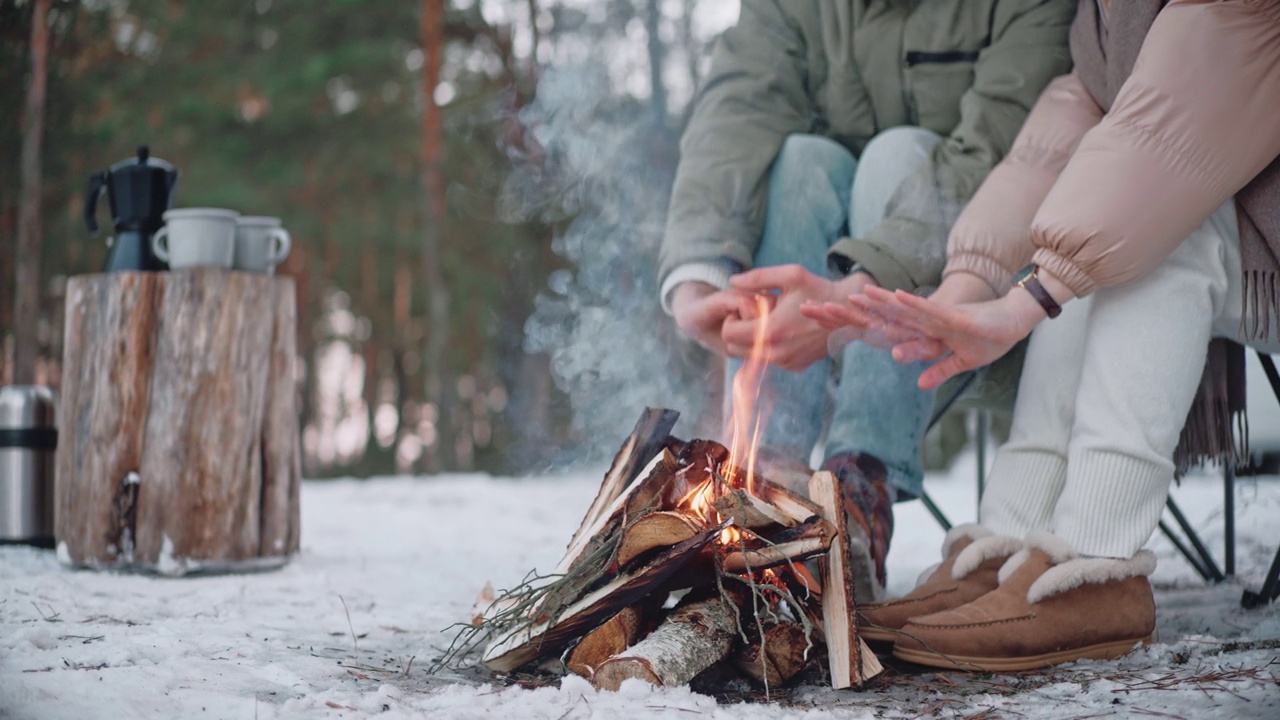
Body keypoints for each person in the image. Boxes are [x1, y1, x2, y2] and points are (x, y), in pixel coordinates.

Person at [804, 0, 1280, 670]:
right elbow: (1047, 154)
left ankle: (1097, 563)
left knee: (1155, 226)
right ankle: (1009, 542)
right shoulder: (1103, 19)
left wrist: (1024, 303)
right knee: (1091, 228)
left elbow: (1158, 144)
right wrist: (965, 288)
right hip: (1241, 229)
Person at [659, 0, 1074, 601]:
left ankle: (858, 490)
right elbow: (739, 105)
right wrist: (698, 276)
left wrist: (851, 299)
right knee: (800, 163)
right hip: (817, 299)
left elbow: (999, 151)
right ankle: (765, 482)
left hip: (986, 296)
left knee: (897, 156)